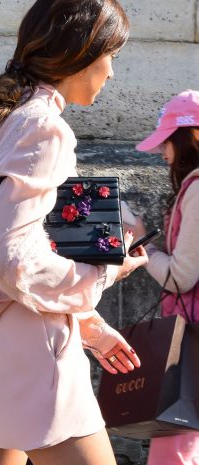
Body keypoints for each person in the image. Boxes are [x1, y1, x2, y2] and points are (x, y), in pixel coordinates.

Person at [0, 1, 148, 464]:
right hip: (31, 353)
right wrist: (103, 277)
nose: (112, 73)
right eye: (110, 55)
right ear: (80, 53)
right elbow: (14, 260)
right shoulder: (43, 128)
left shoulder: (9, 123)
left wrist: (91, 329)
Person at [135, 89, 199, 465]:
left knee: (174, 448)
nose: (162, 153)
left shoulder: (196, 188)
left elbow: (181, 278)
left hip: (191, 343)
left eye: (166, 143)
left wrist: (143, 249)